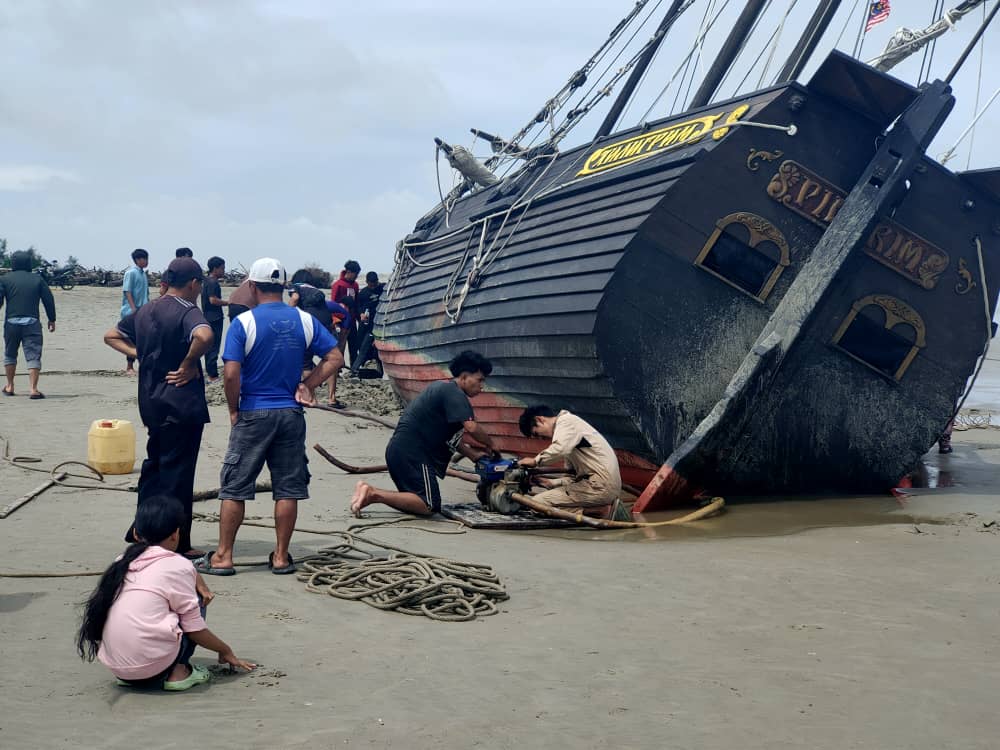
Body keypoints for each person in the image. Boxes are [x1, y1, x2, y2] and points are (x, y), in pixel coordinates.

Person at [196, 258, 342, 576]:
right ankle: (280, 556)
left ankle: (223, 556)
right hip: (291, 412)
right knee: (287, 487)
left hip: (254, 411)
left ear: (251, 286)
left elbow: (231, 373)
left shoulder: (244, 323)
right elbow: (335, 357)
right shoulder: (304, 320)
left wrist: (233, 408)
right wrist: (308, 384)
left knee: (235, 486)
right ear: (283, 287)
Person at [76, 497, 255, 691]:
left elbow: (176, 570)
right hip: (153, 664)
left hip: (117, 667)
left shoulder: (122, 561)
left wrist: (197, 580)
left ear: (136, 533)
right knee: (193, 602)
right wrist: (225, 650)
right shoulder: (179, 565)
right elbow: (194, 629)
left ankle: (136, 676)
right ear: (175, 534)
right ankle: (178, 671)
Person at [104, 258, 213, 558]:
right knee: (178, 473)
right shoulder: (187, 310)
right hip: (180, 401)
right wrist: (189, 363)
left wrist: (137, 354)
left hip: (151, 401)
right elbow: (204, 336)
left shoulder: (146, 310)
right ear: (193, 283)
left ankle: (142, 528)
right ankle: (177, 540)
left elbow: (110, 335)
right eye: (199, 284)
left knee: (154, 467)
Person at [351, 350, 497, 517]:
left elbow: (447, 438)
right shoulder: (454, 393)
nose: (481, 386)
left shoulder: (443, 389)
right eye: (479, 380)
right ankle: (372, 494)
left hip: (401, 452)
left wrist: (473, 455)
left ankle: (369, 493)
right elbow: (472, 427)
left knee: (419, 501)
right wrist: (491, 445)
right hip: (413, 455)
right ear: (464, 377)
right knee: (429, 505)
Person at [516, 405, 622, 517]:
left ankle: (598, 511)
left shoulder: (566, 422)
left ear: (540, 420)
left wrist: (535, 461)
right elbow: (572, 477)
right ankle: (597, 508)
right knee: (543, 501)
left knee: (535, 504)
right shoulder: (568, 438)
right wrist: (548, 483)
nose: (540, 438)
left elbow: (559, 449)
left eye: (536, 433)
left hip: (601, 486)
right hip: (599, 484)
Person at [0, 250, 56, 399]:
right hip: (32, 322)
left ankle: (10, 386)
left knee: (10, 353)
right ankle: (33, 389)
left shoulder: (5, 279)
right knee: (33, 355)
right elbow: (48, 300)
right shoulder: (37, 279)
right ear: (29, 264)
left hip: (11, 322)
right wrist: (52, 319)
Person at [120, 248, 150, 374]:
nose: (147, 261)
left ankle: (142, 364)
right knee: (131, 338)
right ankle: (129, 367)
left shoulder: (143, 274)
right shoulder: (131, 273)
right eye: (144, 259)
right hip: (131, 311)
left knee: (142, 339)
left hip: (143, 310)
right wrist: (133, 309)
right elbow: (127, 291)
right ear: (138, 260)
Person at [351, 271, 384, 376]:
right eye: (371, 284)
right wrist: (361, 314)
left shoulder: (382, 289)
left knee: (375, 348)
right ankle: (358, 367)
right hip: (365, 323)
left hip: (379, 323)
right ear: (367, 282)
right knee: (361, 345)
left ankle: (378, 370)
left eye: (375, 283)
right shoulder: (363, 293)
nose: (373, 286)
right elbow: (358, 307)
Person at [201, 256, 228, 382]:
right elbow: (213, 300)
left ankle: (210, 373)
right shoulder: (212, 282)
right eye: (222, 268)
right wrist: (229, 303)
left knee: (209, 346)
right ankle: (212, 375)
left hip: (207, 317)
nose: (223, 271)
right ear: (215, 268)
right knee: (214, 346)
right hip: (214, 318)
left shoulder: (206, 281)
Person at [331, 259, 361, 365]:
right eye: (355, 274)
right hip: (340, 321)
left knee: (354, 345)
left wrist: (358, 318)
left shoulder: (356, 285)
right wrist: (335, 321)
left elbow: (356, 303)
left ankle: (354, 367)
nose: (356, 276)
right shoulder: (338, 285)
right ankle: (337, 368)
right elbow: (333, 303)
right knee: (340, 345)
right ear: (349, 272)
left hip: (352, 321)